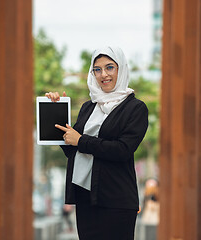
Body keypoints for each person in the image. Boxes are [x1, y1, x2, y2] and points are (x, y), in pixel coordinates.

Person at [45, 46, 148, 240]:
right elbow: (72, 149)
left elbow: (123, 150)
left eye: (110, 67)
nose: (103, 75)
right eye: (97, 69)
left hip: (117, 201)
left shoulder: (135, 108)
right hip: (86, 199)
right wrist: (57, 110)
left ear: (121, 69)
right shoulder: (88, 107)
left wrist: (82, 140)